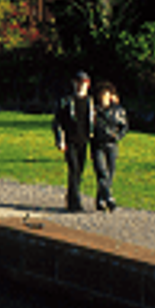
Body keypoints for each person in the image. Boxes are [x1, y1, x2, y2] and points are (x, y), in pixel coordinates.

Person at [51, 70, 94, 211]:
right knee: (74, 169)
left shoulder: (90, 103)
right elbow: (57, 122)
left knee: (79, 171)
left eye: (84, 83)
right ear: (74, 83)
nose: (81, 86)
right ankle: (75, 202)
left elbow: (94, 123)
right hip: (70, 140)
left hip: (84, 141)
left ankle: (71, 199)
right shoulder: (66, 102)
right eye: (79, 82)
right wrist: (60, 140)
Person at [91, 81, 129, 212]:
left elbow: (124, 126)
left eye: (106, 95)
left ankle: (100, 199)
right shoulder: (94, 111)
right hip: (97, 145)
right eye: (102, 95)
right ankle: (109, 198)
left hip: (111, 145)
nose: (104, 98)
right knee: (102, 172)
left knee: (110, 174)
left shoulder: (118, 111)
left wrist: (117, 136)